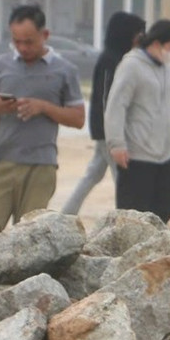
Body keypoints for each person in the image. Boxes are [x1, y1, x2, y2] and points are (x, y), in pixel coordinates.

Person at [0, 4, 85, 229]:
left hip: (41, 166)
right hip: (1, 162)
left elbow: (78, 119)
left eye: (29, 41)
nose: (22, 47)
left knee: (28, 239)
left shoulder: (64, 70)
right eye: (17, 41)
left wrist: (43, 107)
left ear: (45, 35)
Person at [65, 11, 146, 214]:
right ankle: (128, 217)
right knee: (123, 178)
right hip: (108, 132)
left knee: (93, 174)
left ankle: (67, 214)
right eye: (138, 34)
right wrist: (112, 134)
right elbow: (107, 101)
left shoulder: (117, 58)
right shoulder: (112, 61)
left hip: (106, 131)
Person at [106, 19, 170, 221]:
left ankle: (154, 238)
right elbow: (116, 105)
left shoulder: (166, 67)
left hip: (164, 153)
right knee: (134, 212)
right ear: (157, 43)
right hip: (137, 154)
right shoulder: (131, 65)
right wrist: (116, 143)